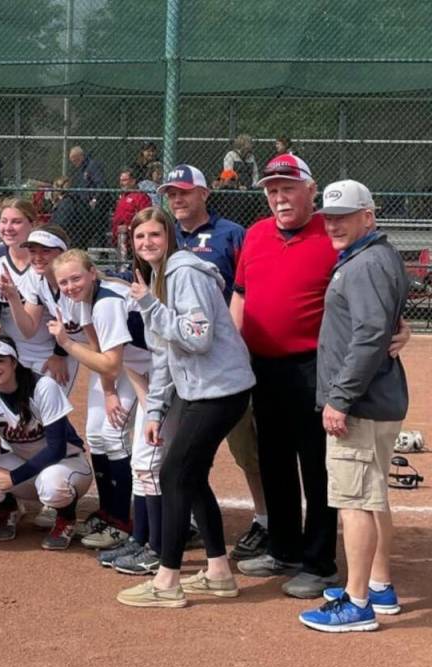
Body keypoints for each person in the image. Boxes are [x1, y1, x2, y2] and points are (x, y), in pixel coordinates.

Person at [232, 154, 411, 599]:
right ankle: (284, 549)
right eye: (272, 190)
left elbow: (373, 295)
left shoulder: (335, 235)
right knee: (273, 460)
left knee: (319, 467)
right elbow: (241, 295)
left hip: (316, 367)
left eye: (288, 188)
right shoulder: (255, 235)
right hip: (264, 367)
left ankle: (319, 562)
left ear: (311, 191)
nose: (279, 198)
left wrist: (398, 323)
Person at [116, 205, 255, 608]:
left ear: (170, 237)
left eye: (154, 235)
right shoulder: (160, 277)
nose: (146, 244)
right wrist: (156, 410)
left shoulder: (184, 272)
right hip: (203, 391)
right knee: (189, 477)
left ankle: (167, 581)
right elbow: (164, 354)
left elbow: (197, 337)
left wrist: (150, 307)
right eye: (139, 238)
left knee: (174, 473)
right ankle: (218, 572)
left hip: (220, 391)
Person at [299, 180, 410, 633]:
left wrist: (339, 399)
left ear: (369, 215)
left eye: (344, 216)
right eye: (328, 217)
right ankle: (379, 585)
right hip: (377, 398)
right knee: (372, 494)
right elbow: (382, 327)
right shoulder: (375, 257)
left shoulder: (365, 264)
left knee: (354, 502)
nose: (334, 224)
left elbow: (369, 336)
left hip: (361, 404)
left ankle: (358, 601)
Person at [159, 164, 267, 560]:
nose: (177, 199)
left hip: (222, 363)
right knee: (185, 453)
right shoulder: (164, 236)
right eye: (171, 193)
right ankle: (186, 523)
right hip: (183, 364)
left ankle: (263, 520)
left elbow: (248, 289)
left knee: (245, 448)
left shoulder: (231, 234)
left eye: (184, 192)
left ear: (205, 194)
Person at [49, 249, 155, 565]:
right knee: (96, 435)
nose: (69, 286)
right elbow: (98, 348)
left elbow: (109, 363)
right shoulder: (80, 297)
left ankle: (123, 522)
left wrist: (67, 344)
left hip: (153, 367)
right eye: (63, 282)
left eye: (76, 278)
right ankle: (109, 513)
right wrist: (108, 392)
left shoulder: (107, 301)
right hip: (127, 366)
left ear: (93, 272)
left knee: (118, 438)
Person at [0, 335, 92, 550]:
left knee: (52, 484)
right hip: (25, 463)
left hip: (67, 464)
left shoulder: (42, 386)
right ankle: (9, 509)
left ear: (14, 363)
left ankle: (66, 518)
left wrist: (14, 477)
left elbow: (56, 449)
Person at [0, 198, 69, 386]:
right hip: (11, 349)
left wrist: (59, 354)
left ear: (32, 224)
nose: (8, 228)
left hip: (48, 349)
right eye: (3, 221)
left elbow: (66, 311)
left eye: (16, 222)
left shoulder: (45, 261)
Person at [110, 168, 152, 255]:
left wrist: (129, 227)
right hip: (120, 239)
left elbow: (146, 218)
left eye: (125, 180)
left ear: (133, 181)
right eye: (121, 180)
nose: (121, 183)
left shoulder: (141, 197)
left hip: (132, 239)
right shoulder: (122, 197)